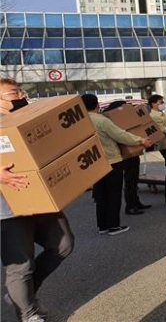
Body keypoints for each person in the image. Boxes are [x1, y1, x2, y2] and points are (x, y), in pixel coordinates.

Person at [0, 78, 74, 322]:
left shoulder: (28, 118)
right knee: (20, 266)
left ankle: (24, 295)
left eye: (21, 90)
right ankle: (27, 313)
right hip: (7, 209)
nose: (20, 95)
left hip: (40, 199)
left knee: (63, 244)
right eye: (13, 93)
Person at [81, 94, 153, 235]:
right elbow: (120, 135)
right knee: (113, 194)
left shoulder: (81, 122)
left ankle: (102, 226)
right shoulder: (102, 120)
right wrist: (141, 140)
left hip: (95, 162)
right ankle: (114, 226)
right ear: (97, 105)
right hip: (112, 161)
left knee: (101, 194)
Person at [103, 100, 152, 215]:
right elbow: (122, 136)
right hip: (125, 155)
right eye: (124, 106)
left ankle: (136, 202)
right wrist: (140, 140)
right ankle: (130, 206)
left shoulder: (122, 119)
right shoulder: (112, 120)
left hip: (133, 153)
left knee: (134, 180)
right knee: (130, 181)